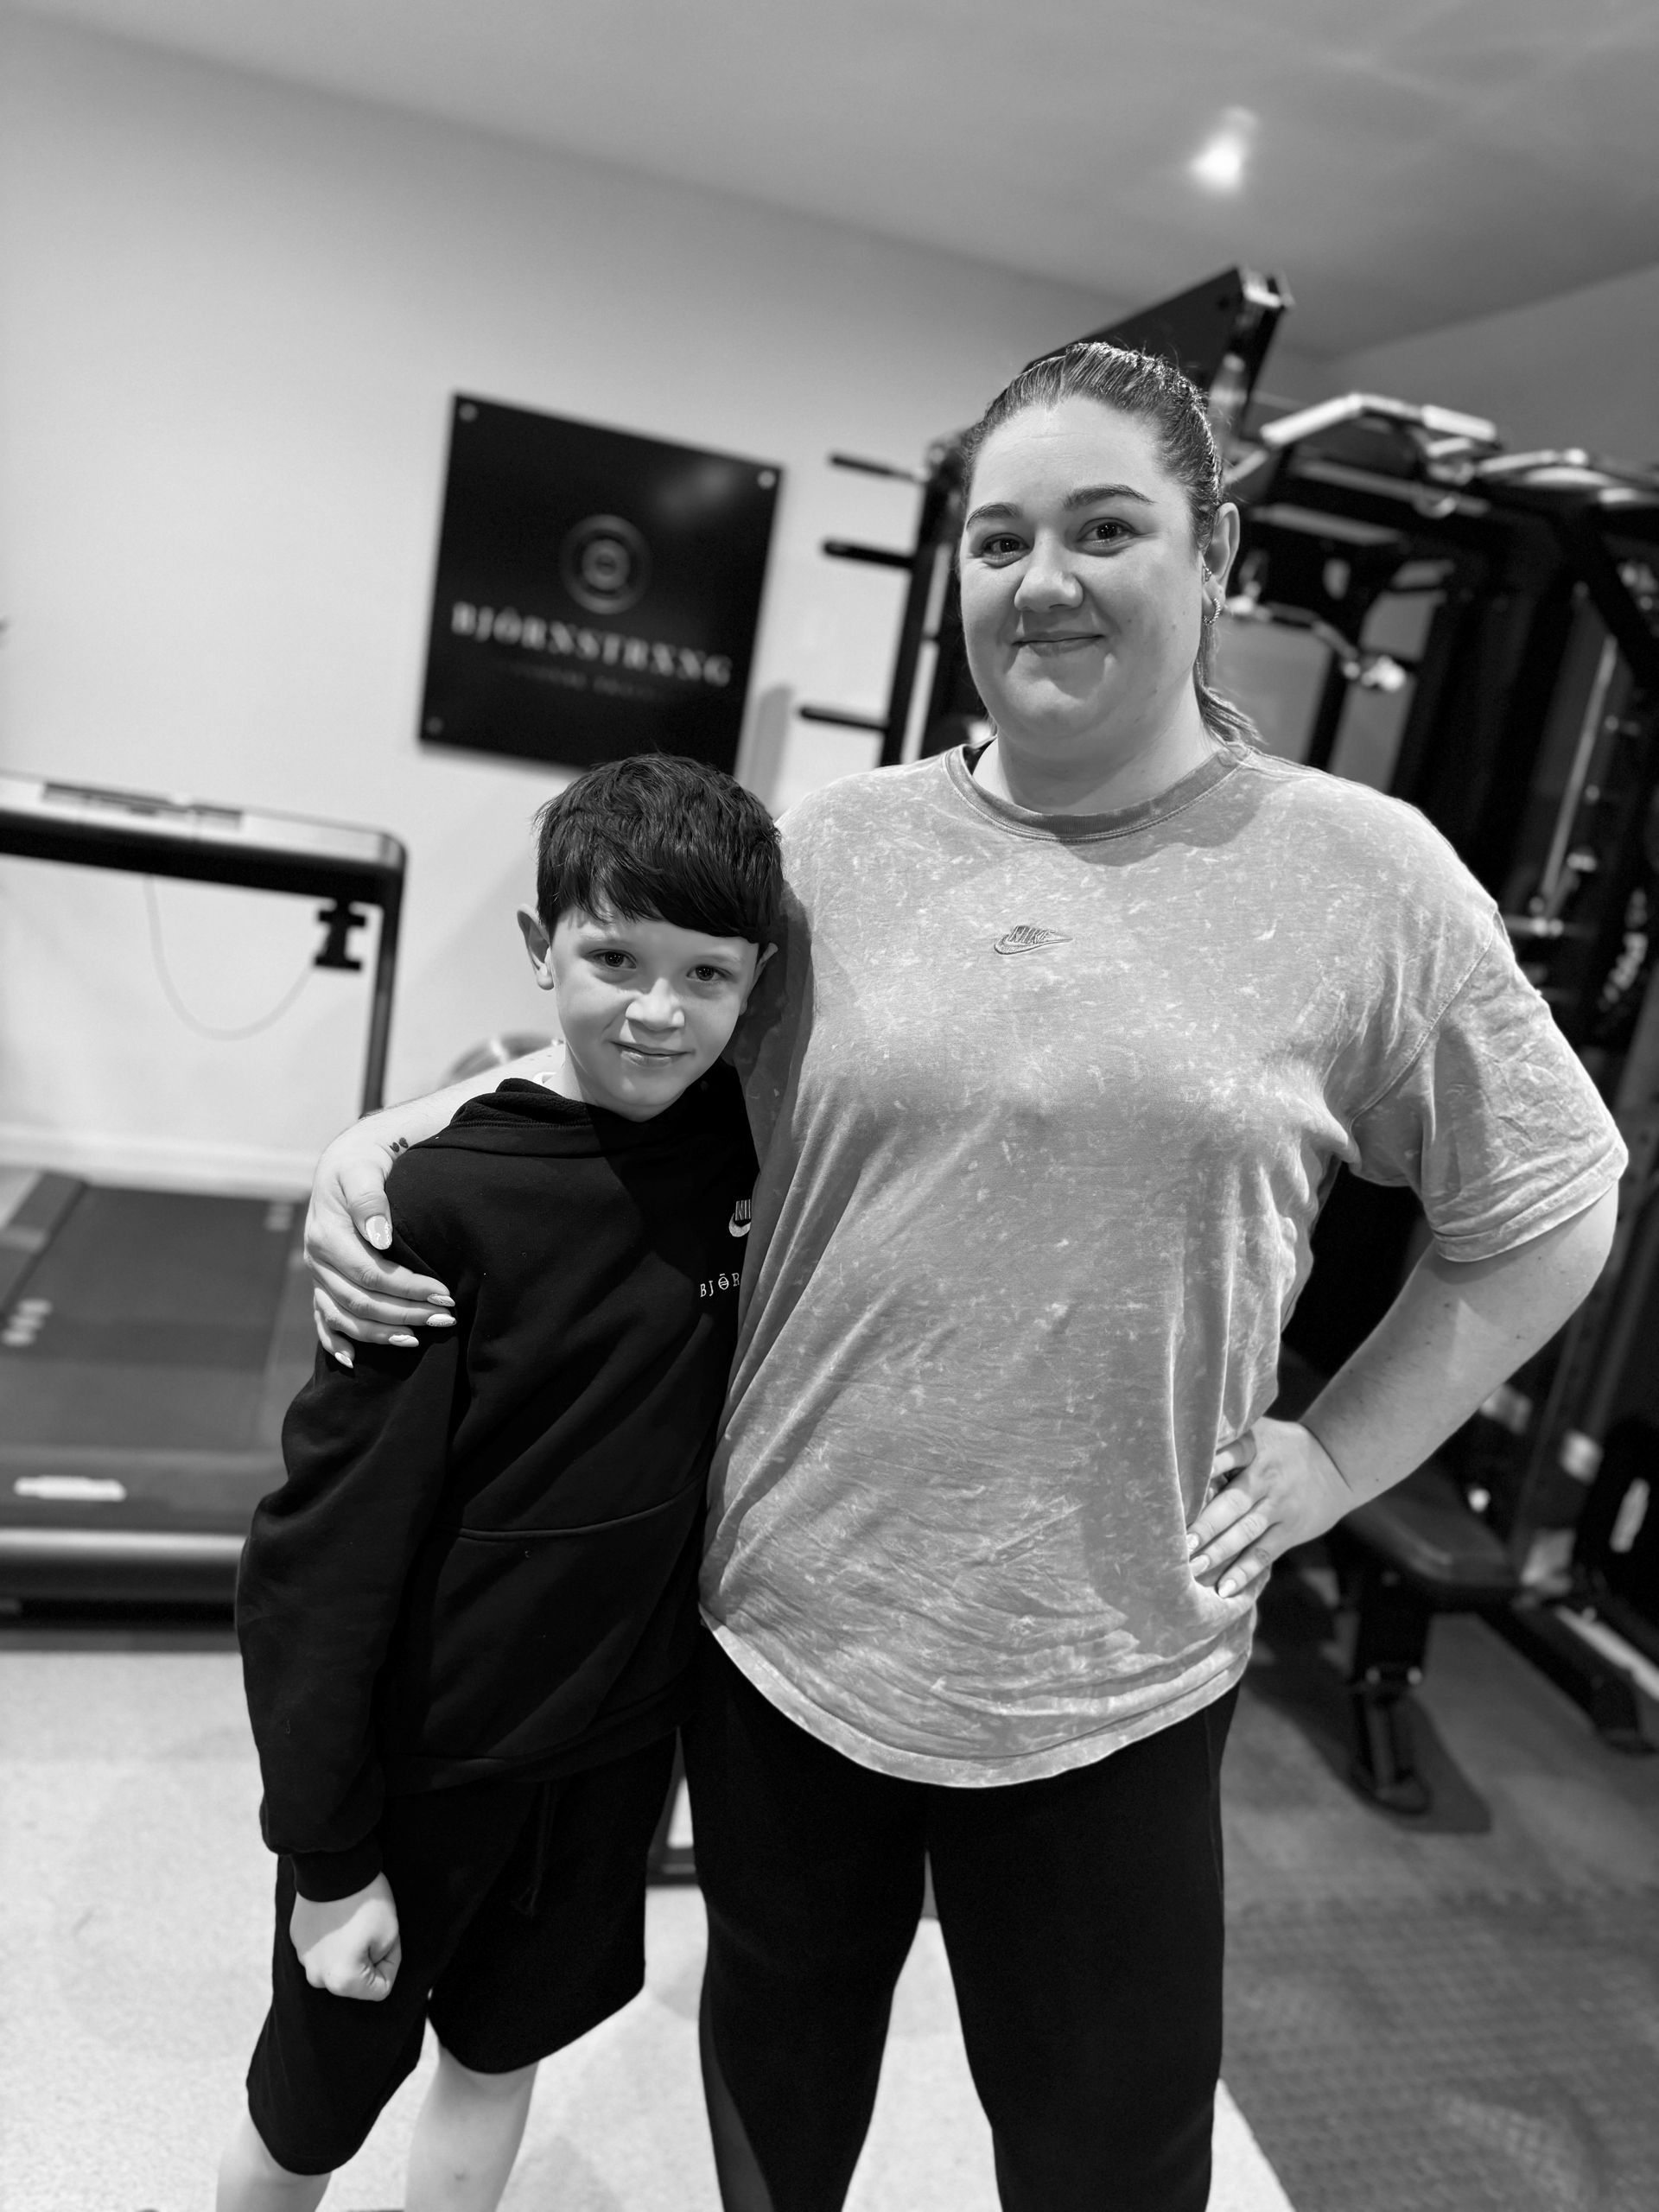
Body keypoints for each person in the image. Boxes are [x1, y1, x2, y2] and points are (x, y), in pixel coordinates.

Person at [301, 344, 1626, 2212]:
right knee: (778, 2102)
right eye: (999, 536)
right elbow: (633, 1048)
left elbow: (1557, 1204)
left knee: (1110, 2165)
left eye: (1107, 526)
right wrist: (379, 1150)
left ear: (1217, 551)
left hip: (1114, 1672)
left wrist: (1335, 1456)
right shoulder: (830, 854)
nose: (1044, 578)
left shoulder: (1367, 879)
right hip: (783, 1636)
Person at [218, 755, 780, 2212]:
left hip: (601, 1757)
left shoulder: (745, 1139)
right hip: (420, 1768)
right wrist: (328, 1855)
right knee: (312, 2106)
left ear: (754, 982)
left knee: (500, 2063)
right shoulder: (437, 1198)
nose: (658, 1010)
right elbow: (316, 1563)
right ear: (542, 949)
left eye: (704, 974)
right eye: (613, 959)